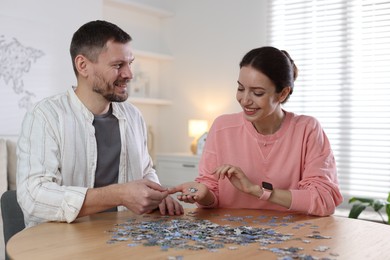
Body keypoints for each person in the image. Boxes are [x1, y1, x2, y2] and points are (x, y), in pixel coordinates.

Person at [16, 20, 183, 228]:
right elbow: (33, 195)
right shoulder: (45, 116)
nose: (129, 74)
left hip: (122, 236)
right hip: (60, 243)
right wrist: (118, 194)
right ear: (83, 66)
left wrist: (157, 194)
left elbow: (146, 170)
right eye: (118, 65)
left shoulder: (133, 116)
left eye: (130, 63)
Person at [169, 46, 343, 216]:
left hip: (291, 236)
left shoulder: (307, 129)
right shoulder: (222, 127)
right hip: (230, 235)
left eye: (257, 93)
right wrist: (203, 194)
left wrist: (257, 191)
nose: (245, 100)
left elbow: (323, 200)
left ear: (282, 94)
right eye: (240, 88)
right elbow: (211, 191)